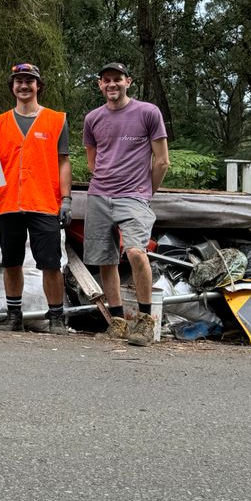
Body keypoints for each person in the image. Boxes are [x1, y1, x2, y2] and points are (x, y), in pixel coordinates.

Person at [83, 62, 170, 346]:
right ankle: (118, 321)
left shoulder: (147, 112)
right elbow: (93, 161)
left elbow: (162, 160)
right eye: (106, 80)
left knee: (135, 252)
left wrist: (146, 193)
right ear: (100, 85)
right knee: (105, 259)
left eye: (117, 79)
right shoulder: (93, 118)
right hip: (99, 195)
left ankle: (145, 321)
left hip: (133, 196)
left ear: (128, 82)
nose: (112, 85)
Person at [0, 63, 72, 335]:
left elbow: (63, 162)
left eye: (29, 81)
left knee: (50, 263)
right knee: (11, 262)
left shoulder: (56, 120)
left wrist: (67, 199)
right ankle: (14, 316)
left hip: (44, 202)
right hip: (9, 202)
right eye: (18, 81)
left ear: (39, 86)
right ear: (12, 87)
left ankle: (56, 318)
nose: (23, 86)